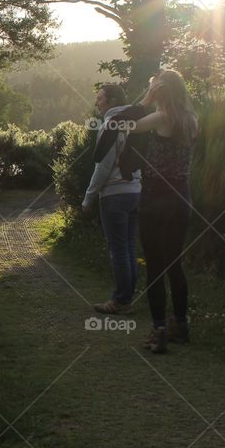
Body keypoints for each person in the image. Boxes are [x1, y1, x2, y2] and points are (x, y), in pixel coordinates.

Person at [125, 70, 198, 354]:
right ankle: (180, 324)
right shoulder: (192, 120)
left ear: (162, 91)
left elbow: (129, 126)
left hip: (156, 198)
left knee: (155, 267)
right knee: (174, 264)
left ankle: (158, 331)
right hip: (182, 197)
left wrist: (146, 98)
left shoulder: (161, 117)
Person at [82, 84, 143, 315]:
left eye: (100, 98)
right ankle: (127, 298)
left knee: (118, 249)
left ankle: (120, 301)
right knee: (128, 247)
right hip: (135, 191)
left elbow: (103, 166)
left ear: (112, 100)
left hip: (115, 194)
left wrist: (89, 198)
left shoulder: (110, 125)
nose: (97, 103)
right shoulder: (137, 122)